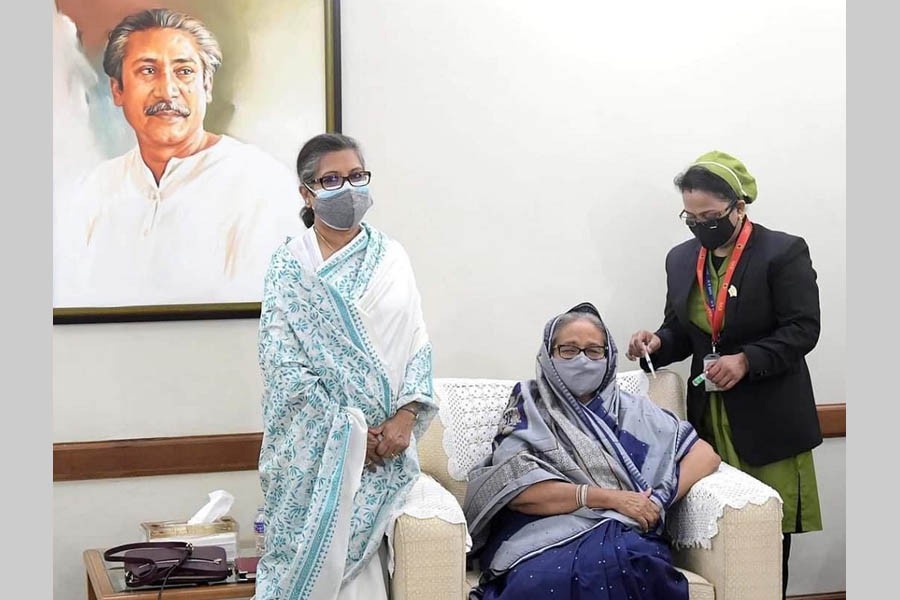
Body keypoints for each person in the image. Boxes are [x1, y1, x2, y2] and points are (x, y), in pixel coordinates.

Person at [627, 150, 823, 598]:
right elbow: (681, 331)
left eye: (711, 216)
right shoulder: (681, 259)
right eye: (691, 217)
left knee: (763, 540)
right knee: (713, 539)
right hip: (710, 418)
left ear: (739, 206)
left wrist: (747, 359)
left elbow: (803, 329)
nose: (701, 226)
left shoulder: (782, 252)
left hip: (769, 418)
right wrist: (656, 343)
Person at [256, 133, 442, 599]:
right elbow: (283, 367)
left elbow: (417, 344)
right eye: (332, 180)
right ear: (307, 193)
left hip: (388, 448)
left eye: (357, 176)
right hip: (316, 452)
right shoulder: (289, 267)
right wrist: (353, 436)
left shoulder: (391, 258)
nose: (349, 189)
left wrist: (405, 418)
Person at [464, 302, 721, 600]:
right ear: (549, 355)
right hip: (539, 530)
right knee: (539, 580)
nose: (582, 360)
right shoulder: (530, 407)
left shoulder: (633, 411)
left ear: (608, 356)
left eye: (593, 351)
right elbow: (519, 492)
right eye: (568, 350)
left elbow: (705, 455)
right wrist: (610, 499)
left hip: (623, 528)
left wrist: (660, 499)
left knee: (635, 564)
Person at [55, 8, 300, 307]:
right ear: (117, 90)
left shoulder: (262, 185)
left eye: (184, 72)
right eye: (148, 71)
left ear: (207, 87)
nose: (167, 91)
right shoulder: (90, 193)